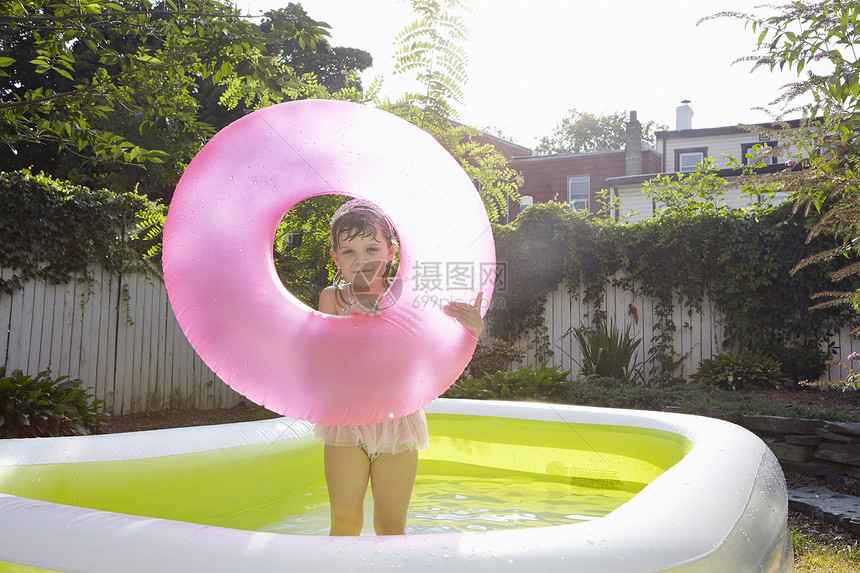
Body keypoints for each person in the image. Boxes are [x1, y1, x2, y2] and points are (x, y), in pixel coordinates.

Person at [313, 199, 484, 536]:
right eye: (348, 252)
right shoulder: (332, 298)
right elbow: (324, 361)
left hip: (398, 423)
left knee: (391, 527)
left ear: (391, 251)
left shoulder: (411, 299)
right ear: (335, 258)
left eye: (372, 248)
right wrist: (354, 315)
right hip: (347, 423)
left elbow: (438, 355)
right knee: (344, 526)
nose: (361, 260)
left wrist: (473, 331)